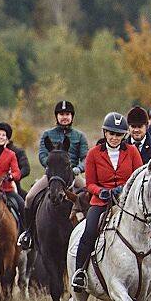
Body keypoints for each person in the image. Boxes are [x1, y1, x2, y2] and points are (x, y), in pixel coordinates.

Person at [71, 112, 143, 297]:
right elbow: (90, 183)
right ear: (105, 133)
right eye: (111, 133)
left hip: (128, 202)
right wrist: (101, 191)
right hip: (101, 201)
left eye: (118, 134)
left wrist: (124, 189)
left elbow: (139, 176)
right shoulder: (94, 153)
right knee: (89, 231)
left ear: (124, 135)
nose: (114, 137)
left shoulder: (132, 152)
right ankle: (80, 272)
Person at [24, 100, 88, 251]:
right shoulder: (47, 135)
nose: (64, 117)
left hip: (72, 175)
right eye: (61, 114)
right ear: (56, 116)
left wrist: (77, 169)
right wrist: (53, 166)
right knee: (29, 197)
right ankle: (28, 233)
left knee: (89, 194)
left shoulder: (79, 136)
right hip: (52, 176)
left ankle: (94, 232)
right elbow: (42, 155)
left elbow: (85, 158)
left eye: (67, 114)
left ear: (72, 116)